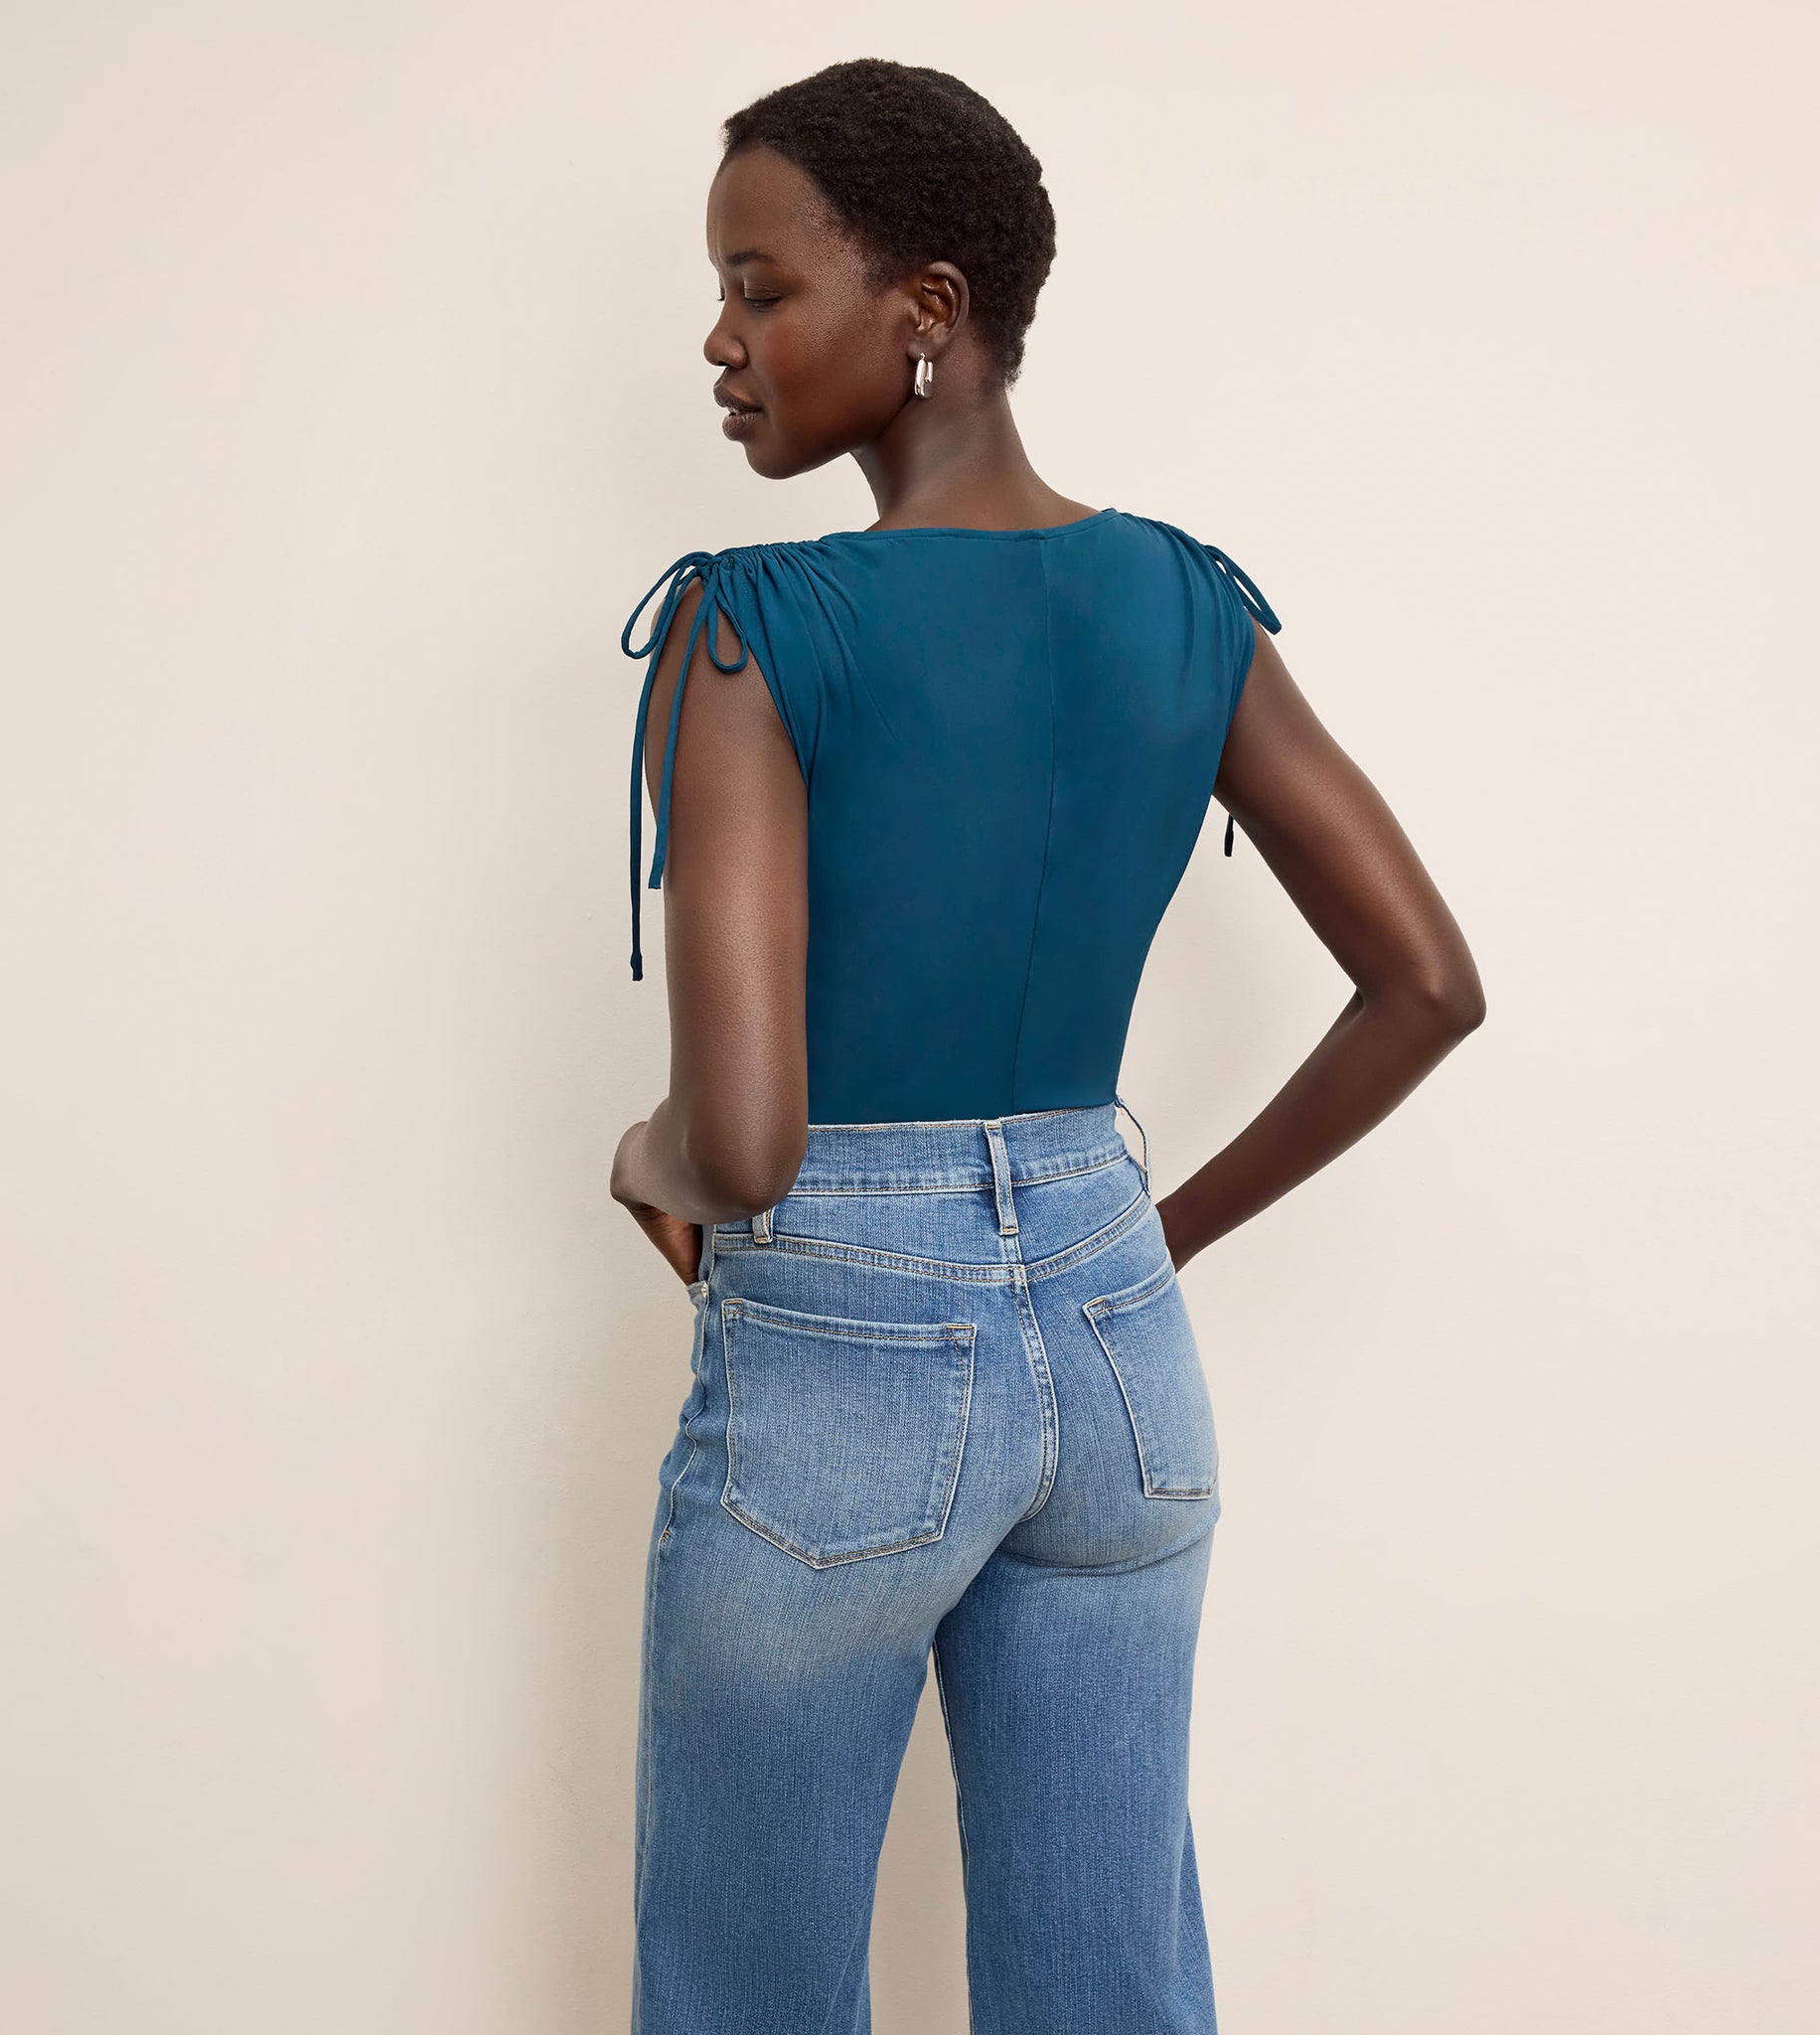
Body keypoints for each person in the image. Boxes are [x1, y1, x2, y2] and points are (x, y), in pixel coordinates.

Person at [607, 57, 1485, 2035]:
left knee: (746, 1995)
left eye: (761, 287)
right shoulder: (1181, 599)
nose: (721, 341)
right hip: (1118, 1353)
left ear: (923, 312)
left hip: (845, 1349)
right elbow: (1426, 980)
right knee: (1108, 1998)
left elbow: (743, 1141)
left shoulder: (753, 625)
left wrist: (640, 1159)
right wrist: (1134, 1240)